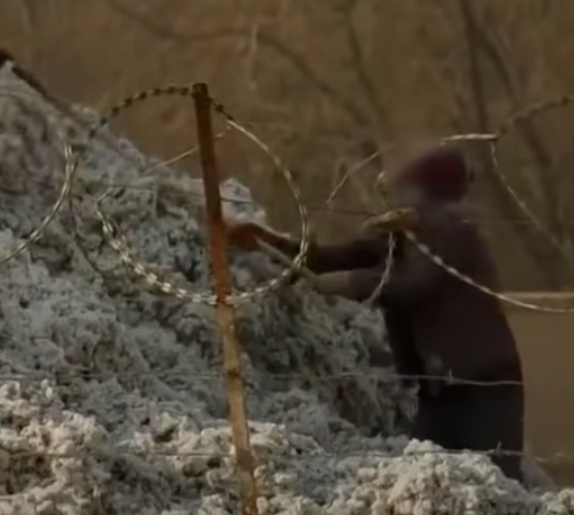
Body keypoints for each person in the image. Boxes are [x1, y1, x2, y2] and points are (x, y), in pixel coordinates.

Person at [225, 144, 526, 481]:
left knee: (497, 483)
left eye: (406, 189)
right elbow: (332, 258)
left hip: (484, 384)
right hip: (438, 390)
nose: (396, 198)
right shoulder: (401, 237)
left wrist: (350, 283)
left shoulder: (455, 232)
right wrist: (271, 243)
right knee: (430, 481)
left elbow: (414, 284)